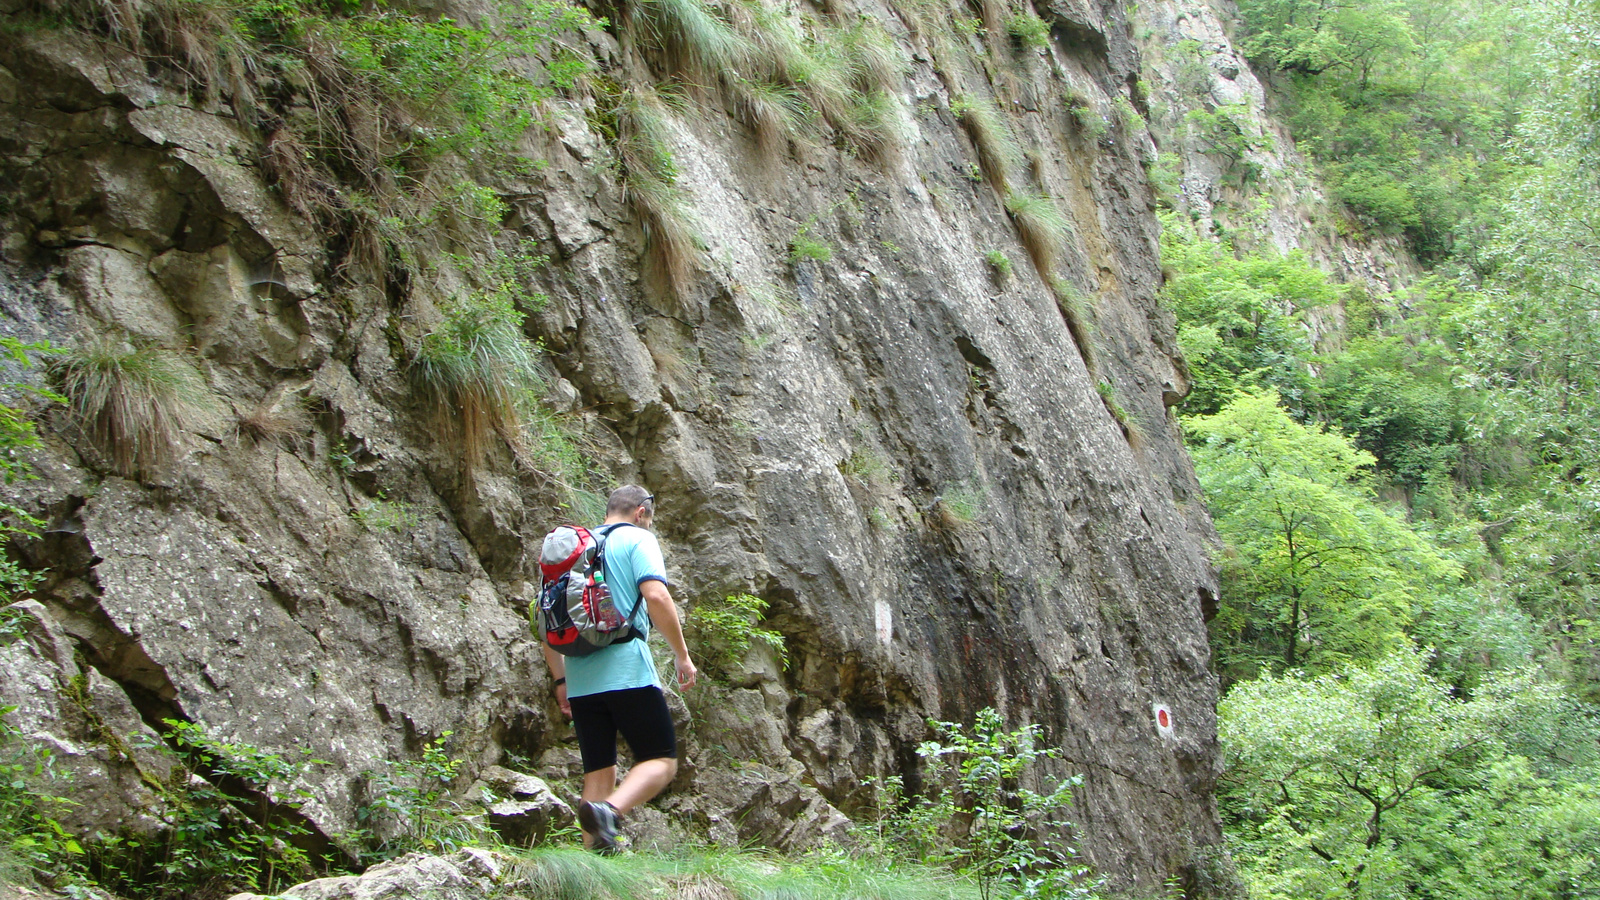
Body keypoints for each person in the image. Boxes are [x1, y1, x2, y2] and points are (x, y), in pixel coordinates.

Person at [542, 485, 698, 854]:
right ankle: (609, 812)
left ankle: (597, 860)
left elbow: (546, 618)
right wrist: (682, 654)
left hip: (580, 677)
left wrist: (560, 679)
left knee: (599, 770)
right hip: (626, 667)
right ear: (641, 511)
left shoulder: (573, 550)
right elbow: (656, 595)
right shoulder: (636, 539)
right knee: (660, 760)